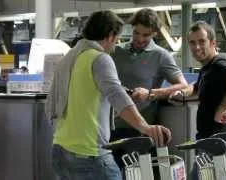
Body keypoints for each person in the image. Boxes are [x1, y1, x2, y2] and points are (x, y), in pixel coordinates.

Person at [46, 10, 171, 180]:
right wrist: (145, 127)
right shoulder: (100, 58)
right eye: (117, 37)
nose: (117, 42)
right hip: (88, 154)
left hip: (60, 150)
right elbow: (117, 96)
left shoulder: (71, 57)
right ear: (110, 35)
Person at [110, 8, 187, 166]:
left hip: (140, 131)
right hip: (110, 128)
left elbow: (183, 85)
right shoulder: (116, 52)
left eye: (145, 35)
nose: (139, 38)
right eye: (136, 33)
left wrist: (151, 93)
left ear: (154, 34)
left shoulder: (161, 55)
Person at [171, 21, 226, 140]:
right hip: (209, 137)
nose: (197, 47)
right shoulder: (208, 68)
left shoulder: (219, 63)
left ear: (213, 43)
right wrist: (182, 94)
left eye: (202, 41)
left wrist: (222, 107)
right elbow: (197, 87)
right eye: (192, 43)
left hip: (220, 138)